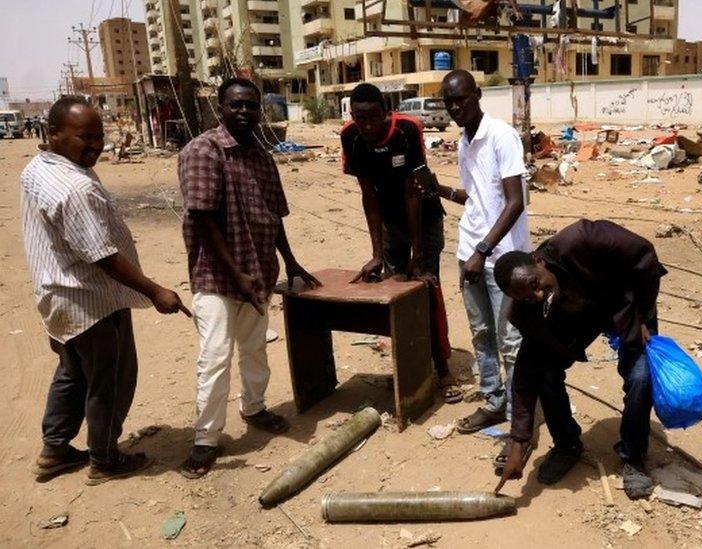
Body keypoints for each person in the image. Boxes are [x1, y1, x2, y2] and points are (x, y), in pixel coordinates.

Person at [20, 96, 191, 485]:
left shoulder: (38, 167)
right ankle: (106, 459)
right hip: (89, 299)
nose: (96, 145)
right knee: (110, 378)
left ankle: (55, 450)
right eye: (85, 137)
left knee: (73, 372)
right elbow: (104, 257)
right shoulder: (73, 188)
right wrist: (156, 291)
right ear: (54, 134)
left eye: (99, 135)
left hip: (57, 293)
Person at [178, 78, 320, 479]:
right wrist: (236, 273)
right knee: (215, 358)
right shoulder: (204, 151)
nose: (244, 112)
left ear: (260, 110)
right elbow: (203, 218)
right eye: (235, 105)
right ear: (220, 107)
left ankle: (254, 407)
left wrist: (290, 262)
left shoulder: (261, 157)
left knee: (255, 348)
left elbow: (274, 217)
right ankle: (206, 439)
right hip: (217, 277)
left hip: (256, 273)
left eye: (251, 106)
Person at [491, 219, 668, 500]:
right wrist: (518, 442)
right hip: (579, 321)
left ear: (538, 261)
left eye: (536, 285)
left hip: (625, 306)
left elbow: (644, 253)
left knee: (640, 375)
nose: (537, 296)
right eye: (526, 298)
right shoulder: (527, 311)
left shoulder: (581, 240)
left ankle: (633, 457)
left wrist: (644, 315)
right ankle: (566, 445)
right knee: (546, 375)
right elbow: (526, 374)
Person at [340, 83, 460, 403]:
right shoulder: (349, 136)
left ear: (385, 113)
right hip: (391, 221)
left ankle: (442, 366)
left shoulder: (407, 129)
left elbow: (414, 190)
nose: (365, 124)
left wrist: (418, 255)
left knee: (425, 288)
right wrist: (376, 254)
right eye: (359, 117)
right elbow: (369, 195)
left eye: (372, 117)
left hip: (424, 215)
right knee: (396, 292)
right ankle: (408, 366)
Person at [431, 70, 528, 447]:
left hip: (501, 258)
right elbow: (475, 199)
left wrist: (483, 250)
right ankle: (492, 399)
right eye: (448, 101)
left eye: (461, 99)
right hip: (469, 253)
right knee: (482, 334)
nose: (455, 107)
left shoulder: (501, 135)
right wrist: (437, 189)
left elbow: (515, 202)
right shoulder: (464, 141)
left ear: (478, 95)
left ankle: (518, 418)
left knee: (511, 340)